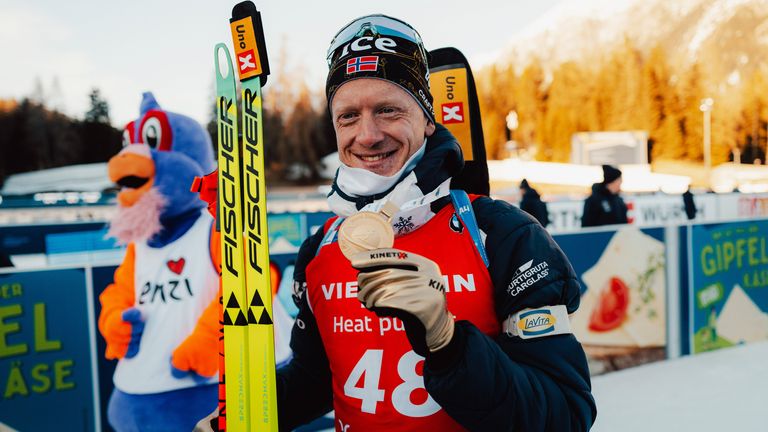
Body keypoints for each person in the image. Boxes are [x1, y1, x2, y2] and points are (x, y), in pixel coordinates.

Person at [199, 14, 595, 432]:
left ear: (427, 119)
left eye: (388, 110)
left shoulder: (502, 234)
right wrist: (235, 418)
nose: (367, 134)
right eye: (348, 116)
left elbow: (564, 415)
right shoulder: (320, 248)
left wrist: (448, 340)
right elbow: (317, 381)